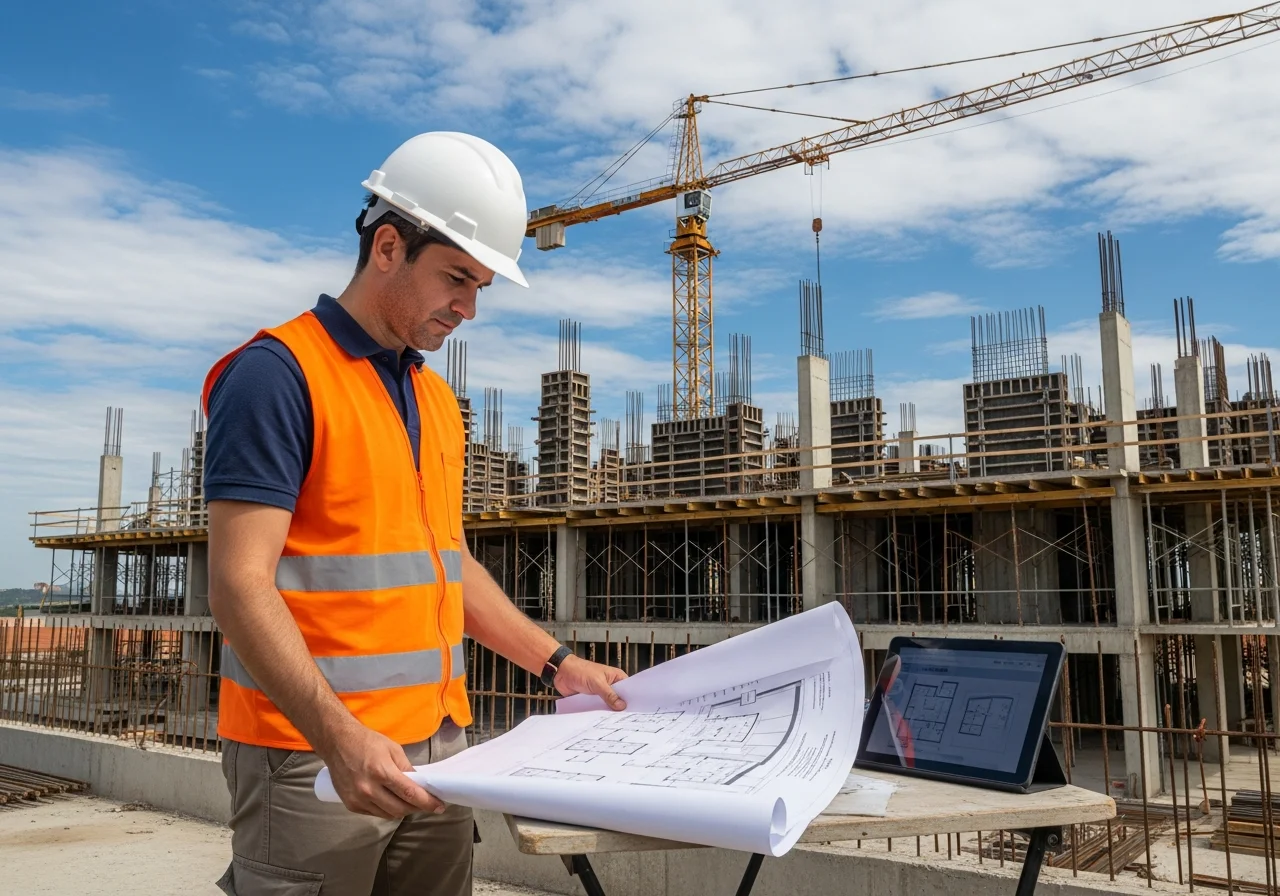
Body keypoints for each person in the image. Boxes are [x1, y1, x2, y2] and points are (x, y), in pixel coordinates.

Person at [203, 131, 629, 896]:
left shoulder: (434, 399)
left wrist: (556, 663)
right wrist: (338, 737)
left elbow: (447, 566)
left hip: (439, 749)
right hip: (312, 758)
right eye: (456, 279)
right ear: (389, 247)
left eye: (481, 288)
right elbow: (239, 584)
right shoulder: (277, 376)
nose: (467, 308)